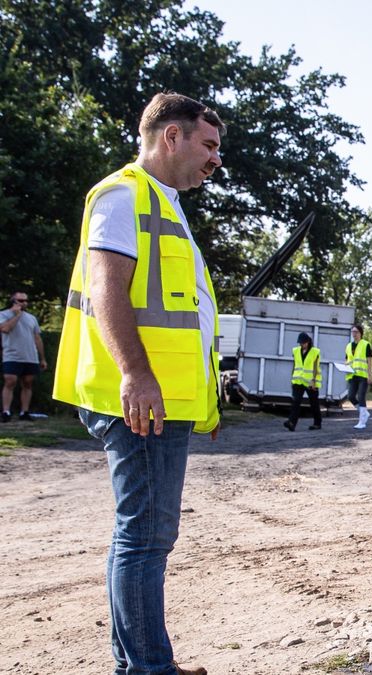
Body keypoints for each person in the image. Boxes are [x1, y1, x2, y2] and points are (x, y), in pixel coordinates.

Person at [52, 92, 224, 675]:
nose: (215, 160)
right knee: (146, 540)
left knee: (140, 537)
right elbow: (107, 289)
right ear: (170, 137)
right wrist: (136, 375)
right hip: (139, 399)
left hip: (159, 400)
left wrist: (203, 402)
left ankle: (141, 664)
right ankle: (150, 668)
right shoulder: (123, 195)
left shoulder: (162, 204)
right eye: (208, 145)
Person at [1, 291, 47, 422]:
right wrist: (17, 315)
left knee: (27, 383)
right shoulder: (3, 315)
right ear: (13, 301)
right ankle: (6, 412)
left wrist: (42, 358)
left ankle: (24, 412)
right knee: (10, 381)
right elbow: (5, 329)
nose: (24, 303)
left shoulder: (31, 318)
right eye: (20, 301)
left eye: (26, 301)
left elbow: (37, 338)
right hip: (12, 355)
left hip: (30, 356)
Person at [285, 332, 322, 431]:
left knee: (314, 403)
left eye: (303, 343)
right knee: (296, 402)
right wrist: (292, 378)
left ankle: (317, 423)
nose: (302, 345)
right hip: (298, 381)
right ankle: (292, 423)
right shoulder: (296, 351)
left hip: (311, 382)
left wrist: (313, 381)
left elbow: (315, 367)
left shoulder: (315, 352)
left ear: (308, 342)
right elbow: (295, 365)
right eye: (300, 343)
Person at [345, 323, 372, 429]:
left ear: (361, 333)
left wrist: (370, 375)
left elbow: (369, 361)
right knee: (351, 396)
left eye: (356, 332)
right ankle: (364, 413)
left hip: (363, 375)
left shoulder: (366, 344)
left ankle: (362, 421)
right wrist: (345, 365)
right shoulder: (348, 346)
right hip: (353, 375)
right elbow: (348, 359)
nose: (354, 334)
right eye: (353, 332)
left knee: (361, 396)